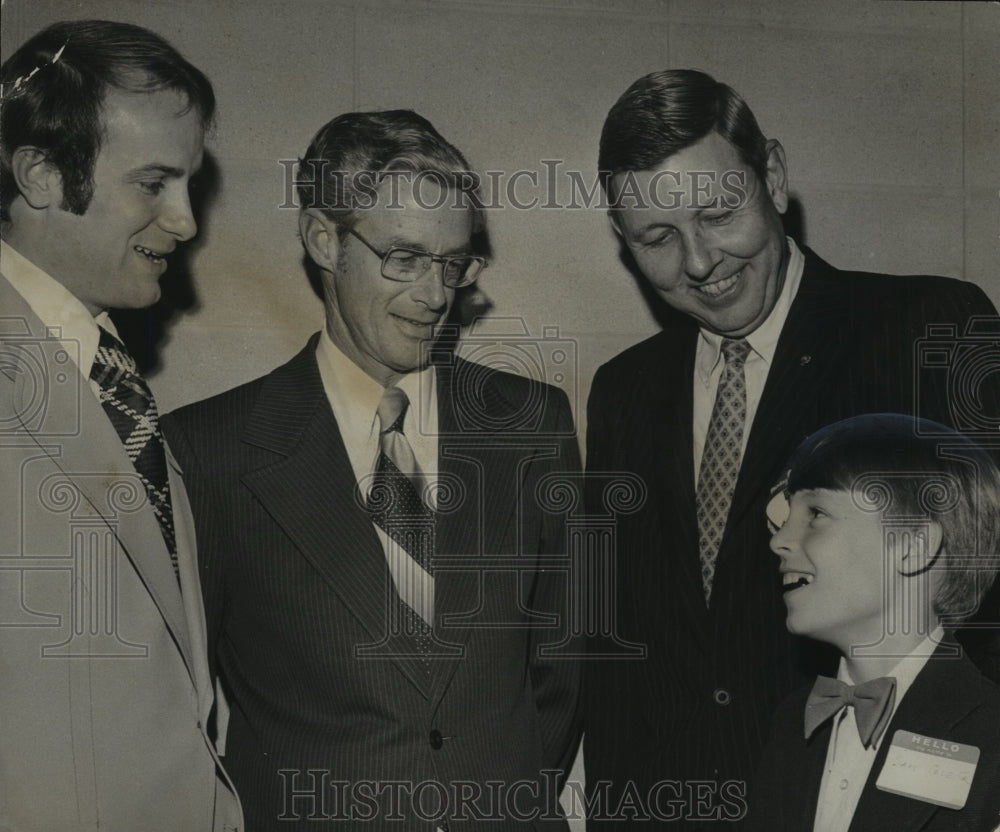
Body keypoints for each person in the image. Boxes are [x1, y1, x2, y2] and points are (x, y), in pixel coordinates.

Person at [583, 68, 1000, 828]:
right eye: (658, 238)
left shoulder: (928, 329)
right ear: (623, 239)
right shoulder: (624, 391)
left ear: (772, 176)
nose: (701, 262)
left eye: (718, 214)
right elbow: (619, 654)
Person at [162, 110, 582, 831]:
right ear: (324, 238)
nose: (435, 296)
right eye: (406, 258)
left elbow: (565, 663)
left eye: (454, 263)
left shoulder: (532, 423)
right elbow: (180, 708)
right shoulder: (208, 450)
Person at [0, 20, 241, 832]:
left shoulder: (110, 374)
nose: (185, 222)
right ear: (39, 174)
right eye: (153, 183)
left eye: (189, 185)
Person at [748, 413, 1000, 832]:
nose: (778, 540)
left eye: (814, 513)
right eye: (783, 518)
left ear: (912, 546)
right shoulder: (791, 721)